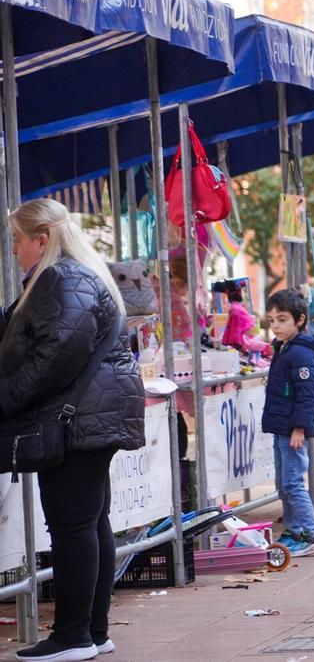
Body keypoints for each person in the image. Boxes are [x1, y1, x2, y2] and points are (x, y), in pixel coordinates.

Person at [1, 199, 145, 662]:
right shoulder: (71, 276)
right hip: (89, 416)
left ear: (40, 240)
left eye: (18, 241)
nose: (15, 251)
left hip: (77, 418)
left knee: (73, 525)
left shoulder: (61, 279)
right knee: (88, 522)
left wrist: (4, 400)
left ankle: (73, 636)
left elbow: (52, 358)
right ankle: (91, 631)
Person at [260, 289, 314, 557]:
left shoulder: (300, 354)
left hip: (292, 431)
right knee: (283, 484)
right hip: (282, 428)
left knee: (292, 484)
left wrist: (300, 428)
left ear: (300, 320)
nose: (276, 326)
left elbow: (309, 394)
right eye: (272, 320)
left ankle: (313, 533)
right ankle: (294, 530)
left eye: (282, 319)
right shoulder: (285, 349)